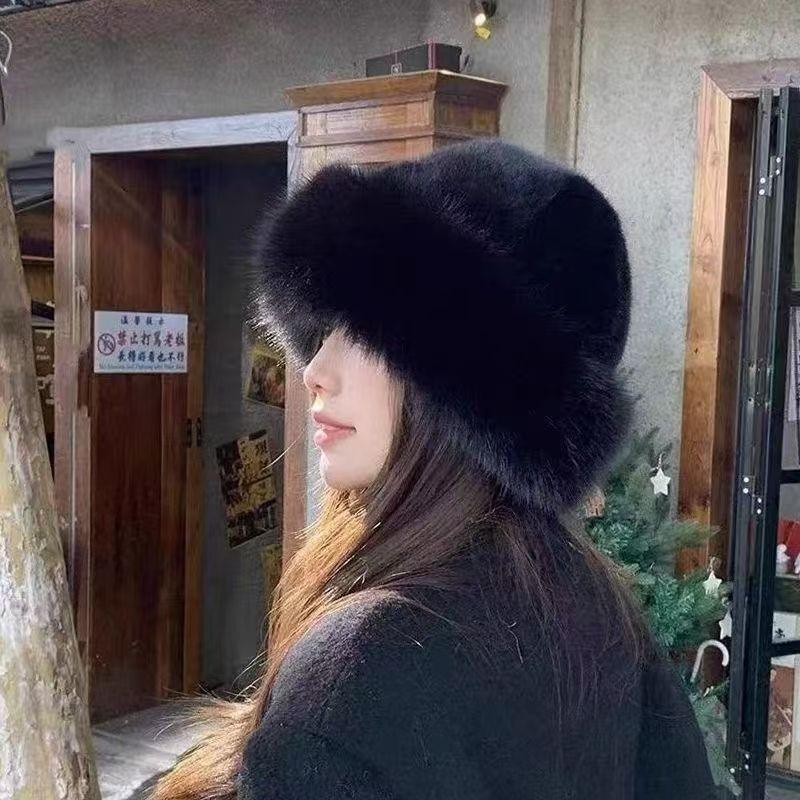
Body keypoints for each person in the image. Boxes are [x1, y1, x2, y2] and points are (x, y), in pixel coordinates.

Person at [152, 138, 717, 799]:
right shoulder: (601, 614)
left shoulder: (362, 670)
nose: (315, 371)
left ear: (465, 382)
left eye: (366, 331)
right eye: (327, 325)